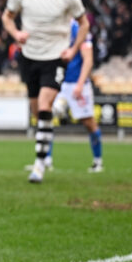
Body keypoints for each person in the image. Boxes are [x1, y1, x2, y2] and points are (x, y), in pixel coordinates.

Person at [2, 0, 89, 184]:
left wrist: (72, 49)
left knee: (43, 105)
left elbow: (84, 24)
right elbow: (7, 17)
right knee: (37, 112)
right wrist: (16, 33)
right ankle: (59, 110)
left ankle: (40, 164)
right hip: (29, 57)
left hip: (54, 57)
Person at [54, 17, 103, 172]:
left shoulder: (79, 28)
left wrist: (81, 84)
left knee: (88, 123)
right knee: (47, 116)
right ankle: (45, 160)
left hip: (77, 83)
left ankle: (98, 161)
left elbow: (88, 60)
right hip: (59, 81)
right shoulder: (55, 26)